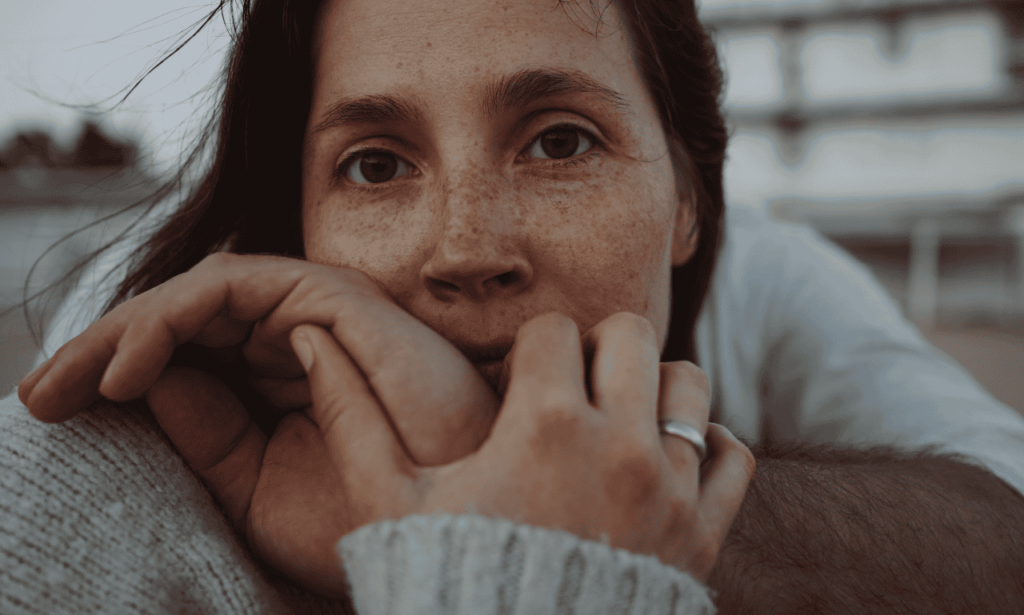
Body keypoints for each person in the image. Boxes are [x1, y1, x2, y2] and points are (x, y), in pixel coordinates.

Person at [3, 0, 1024, 612]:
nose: (466, 250)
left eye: (560, 141)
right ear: (298, 225)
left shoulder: (780, 275)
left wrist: (605, 499)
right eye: (373, 164)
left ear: (688, 202)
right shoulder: (159, 361)